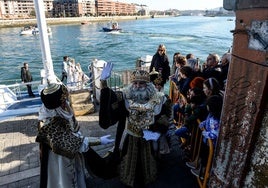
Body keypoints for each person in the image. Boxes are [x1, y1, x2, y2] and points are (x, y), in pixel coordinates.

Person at [99, 62, 173, 187]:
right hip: (129, 136)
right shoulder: (124, 97)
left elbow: (165, 119)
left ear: (148, 84)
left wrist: (156, 131)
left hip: (148, 139)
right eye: (135, 83)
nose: (138, 86)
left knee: (148, 161)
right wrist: (103, 83)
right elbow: (110, 100)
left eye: (142, 83)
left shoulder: (160, 99)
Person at [36, 82, 116, 188]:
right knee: (64, 178)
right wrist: (99, 140)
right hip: (60, 156)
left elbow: (73, 131)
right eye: (63, 101)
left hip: (70, 151)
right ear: (56, 103)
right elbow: (72, 142)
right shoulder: (49, 123)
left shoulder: (60, 110)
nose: (66, 103)